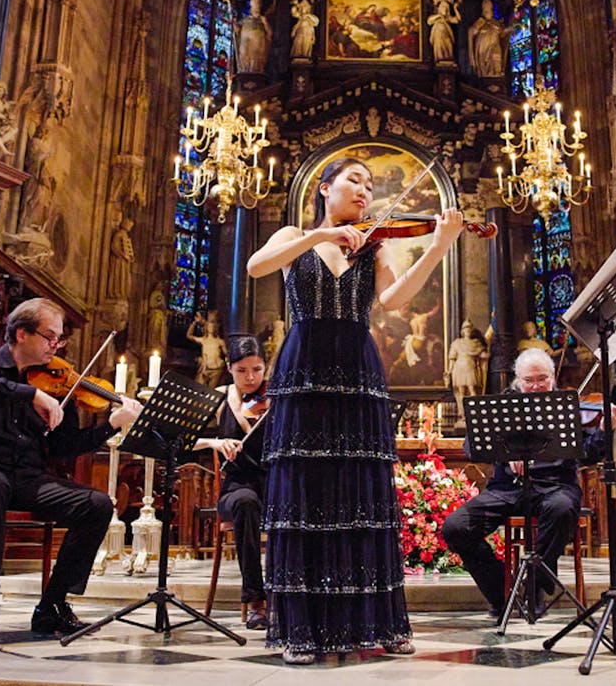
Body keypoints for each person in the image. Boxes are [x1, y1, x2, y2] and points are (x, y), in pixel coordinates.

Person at [247, 156, 464, 663]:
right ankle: (301, 629)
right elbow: (258, 266)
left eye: (371, 185)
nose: (365, 192)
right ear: (325, 189)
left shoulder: (374, 246)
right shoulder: (292, 234)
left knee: (361, 493)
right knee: (303, 495)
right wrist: (318, 239)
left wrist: (437, 247)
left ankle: (377, 623)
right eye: (354, 181)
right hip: (303, 368)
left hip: (358, 371)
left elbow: (394, 301)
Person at [0, 297, 143, 650]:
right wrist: (29, 393)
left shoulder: (58, 387)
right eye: (50, 337)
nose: (56, 346)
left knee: (96, 504)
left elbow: (65, 448)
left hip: (25, 480)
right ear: (21, 333)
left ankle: (52, 605)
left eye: (59, 339)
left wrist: (111, 424)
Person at [442, 348, 616, 619]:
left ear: (553, 377)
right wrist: (505, 455)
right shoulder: (503, 405)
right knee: (455, 527)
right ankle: (501, 591)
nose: (537, 386)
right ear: (517, 378)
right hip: (507, 488)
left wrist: (604, 431)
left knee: (562, 508)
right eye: (530, 380)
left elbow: (587, 453)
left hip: (556, 486)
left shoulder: (567, 405)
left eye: (543, 379)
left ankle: (534, 585)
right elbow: (472, 447)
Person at [193, 334, 272, 629]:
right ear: (229, 368)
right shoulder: (218, 398)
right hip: (237, 490)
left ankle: (294, 595)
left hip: (273, 485)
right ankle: (256, 601)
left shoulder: (273, 399)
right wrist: (215, 443)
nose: (251, 378)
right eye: (242, 371)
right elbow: (186, 440)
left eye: (257, 370)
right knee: (246, 503)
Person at [469, 0, 507, 78]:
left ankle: (496, 75)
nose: (486, 9)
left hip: (494, 45)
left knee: (496, 58)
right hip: (483, 48)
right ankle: (485, 75)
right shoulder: (479, 22)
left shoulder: (497, 23)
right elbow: (472, 32)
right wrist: (476, 28)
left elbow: (502, 35)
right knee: (484, 65)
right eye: (484, 8)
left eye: (488, 7)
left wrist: (508, 31)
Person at [237, 0, 272, 74]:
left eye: (258, 4)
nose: (256, 7)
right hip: (246, 44)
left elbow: (269, 33)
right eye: (255, 4)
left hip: (257, 45)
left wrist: (265, 23)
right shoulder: (245, 20)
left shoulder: (263, 20)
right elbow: (237, 29)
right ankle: (244, 70)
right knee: (244, 56)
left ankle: (256, 71)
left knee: (255, 60)